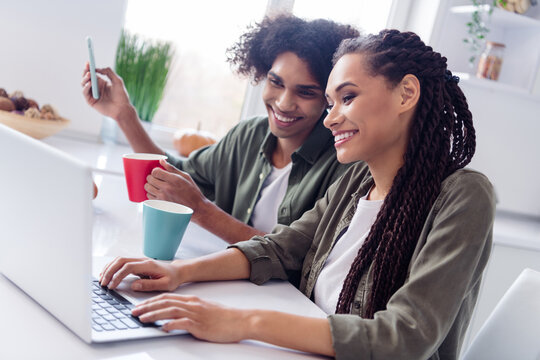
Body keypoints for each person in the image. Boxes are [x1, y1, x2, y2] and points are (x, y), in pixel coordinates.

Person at [99, 30, 496, 359]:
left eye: (348, 97)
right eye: (330, 102)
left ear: (406, 94)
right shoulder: (357, 180)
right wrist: (178, 273)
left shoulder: (463, 196)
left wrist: (243, 322)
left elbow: (406, 336)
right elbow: (281, 247)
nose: (331, 117)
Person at [82, 15, 359, 245]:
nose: (284, 103)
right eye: (276, 82)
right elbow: (177, 177)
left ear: (328, 96)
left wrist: (202, 210)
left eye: (306, 92)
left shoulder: (342, 161)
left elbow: (300, 255)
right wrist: (125, 115)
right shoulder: (248, 135)